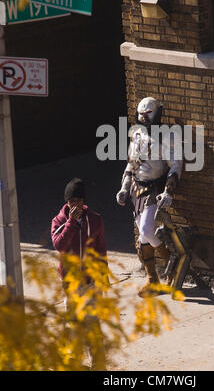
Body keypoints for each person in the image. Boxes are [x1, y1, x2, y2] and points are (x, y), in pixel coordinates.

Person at [116, 97, 183, 297]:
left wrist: (168, 191)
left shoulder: (168, 136)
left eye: (148, 114)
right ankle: (153, 278)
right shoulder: (136, 134)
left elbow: (175, 166)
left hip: (155, 187)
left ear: (157, 113)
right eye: (141, 114)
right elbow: (131, 164)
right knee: (144, 236)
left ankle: (170, 264)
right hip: (137, 189)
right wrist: (124, 188)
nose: (144, 118)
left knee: (145, 230)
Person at [51, 178, 107, 369]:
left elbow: (100, 250)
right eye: (71, 201)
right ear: (67, 203)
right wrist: (71, 222)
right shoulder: (58, 221)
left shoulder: (95, 219)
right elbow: (59, 245)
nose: (75, 205)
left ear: (84, 202)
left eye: (78, 201)